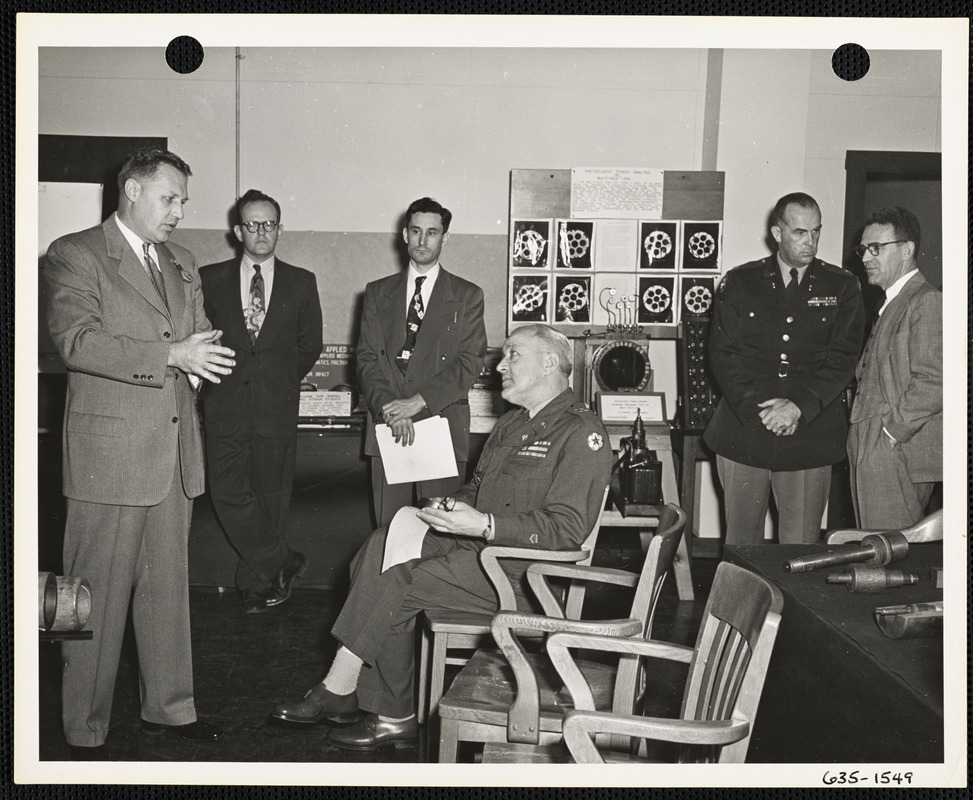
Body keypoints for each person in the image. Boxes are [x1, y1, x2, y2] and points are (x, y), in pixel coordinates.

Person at [271, 324, 612, 751]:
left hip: (524, 575)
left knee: (398, 582)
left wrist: (486, 525)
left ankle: (361, 696)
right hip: (478, 550)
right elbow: (480, 488)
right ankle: (363, 700)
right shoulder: (510, 425)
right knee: (381, 545)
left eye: (512, 355)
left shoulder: (581, 433)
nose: (499, 366)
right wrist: (447, 507)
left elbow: (566, 530)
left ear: (549, 363)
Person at [44, 147, 236, 757]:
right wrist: (174, 356)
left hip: (174, 455)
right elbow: (77, 342)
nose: (180, 211)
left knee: (166, 595)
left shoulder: (181, 260)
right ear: (131, 190)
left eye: (183, 199)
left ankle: (171, 711)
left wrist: (202, 354)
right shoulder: (76, 254)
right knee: (91, 598)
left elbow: (195, 329)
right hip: (109, 458)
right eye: (170, 198)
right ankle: (83, 727)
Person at [704, 192, 864, 544]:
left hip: (809, 432)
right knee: (741, 546)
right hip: (744, 429)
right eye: (800, 232)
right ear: (778, 233)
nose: (811, 242)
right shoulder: (741, 281)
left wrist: (796, 408)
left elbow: (843, 359)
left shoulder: (842, 286)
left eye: (816, 232)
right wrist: (762, 410)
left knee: (800, 548)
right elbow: (723, 354)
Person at [199, 190, 323, 613]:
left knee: (271, 499)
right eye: (252, 224)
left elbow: (311, 345)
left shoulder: (301, 281)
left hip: (276, 407)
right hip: (224, 406)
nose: (261, 232)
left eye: (269, 224)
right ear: (238, 231)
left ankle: (257, 586)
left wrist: (280, 382)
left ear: (280, 229)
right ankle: (283, 561)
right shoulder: (209, 277)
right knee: (228, 493)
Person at [356, 197, 487, 527]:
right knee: (390, 530)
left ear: (445, 237)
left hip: (439, 424)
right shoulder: (376, 293)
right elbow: (367, 359)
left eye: (432, 232)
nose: (422, 240)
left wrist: (416, 404)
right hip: (388, 425)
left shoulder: (467, 295)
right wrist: (390, 408)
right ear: (404, 235)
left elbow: (469, 362)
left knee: (441, 533)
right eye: (416, 231)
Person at [847, 207, 942, 529]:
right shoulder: (891, 301)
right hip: (872, 438)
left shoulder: (927, 301)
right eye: (863, 249)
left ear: (907, 250)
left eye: (876, 248)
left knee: (885, 554)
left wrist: (890, 433)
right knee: (871, 549)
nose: (866, 257)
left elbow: (936, 380)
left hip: (892, 446)